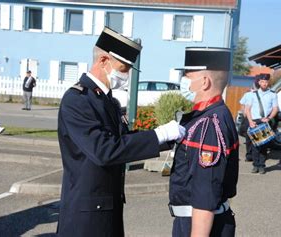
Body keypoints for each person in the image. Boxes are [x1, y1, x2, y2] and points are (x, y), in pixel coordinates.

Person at [56, 27, 185, 237]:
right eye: (123, 67)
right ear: (103, 61)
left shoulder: (107, 99)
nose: (126, 75)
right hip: (86, 216)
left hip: (107, 207)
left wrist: (166, 138)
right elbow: (103, 150)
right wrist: (159, 135)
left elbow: (122, 140)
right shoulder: (77, 100)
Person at [169, 47, 239, 237]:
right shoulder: (213, 115)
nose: (184, 81)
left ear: (205, 82)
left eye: (188, 76)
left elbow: (205, 196)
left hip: (199, 225)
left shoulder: (208, 124)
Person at [244, 73, 278, 174]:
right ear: (259, 82)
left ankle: (262, 165)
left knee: (264, 146)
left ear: (268, 83)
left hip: (265, 121)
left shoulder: (273, 94)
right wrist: (250, 122)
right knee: (255, 146)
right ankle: (255, 165)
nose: (264, 84)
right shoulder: (252, 94)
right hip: (255, 121)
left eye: (266, 82)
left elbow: (275, 108)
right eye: (262, 82)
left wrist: (269, 118)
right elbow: (247, 109)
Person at [238, 79, 260, 162]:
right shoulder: (249, 94)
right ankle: (252, 156)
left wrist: (245, 115)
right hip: (253, 118)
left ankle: (251, 155)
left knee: (251, 138)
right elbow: (243, 105)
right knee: (253, 138)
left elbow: (242, 106)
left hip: (252, 118)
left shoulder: (249, 94)